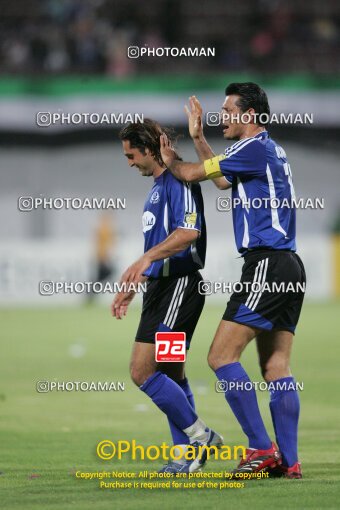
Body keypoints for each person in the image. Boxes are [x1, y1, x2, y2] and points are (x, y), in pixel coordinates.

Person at [156, 83, 306, 479]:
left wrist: (169, 158)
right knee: (276, 367)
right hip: (289, 265)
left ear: (250, 115)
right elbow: (222, 181)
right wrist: (199, 138)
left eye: (228, 110)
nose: (222, 115)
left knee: (220, 356)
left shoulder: (252, 149)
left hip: (266, 265)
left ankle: (261, 448)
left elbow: (191, 173)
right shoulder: (267, 150)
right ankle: (288, 463)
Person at [111, 118, 222, 473]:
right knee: (171, 375)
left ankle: (199, 437)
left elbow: (188, 232)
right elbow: (158, 248)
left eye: (131, 155)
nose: (128, 163)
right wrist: (136, 284)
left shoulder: (177, 179)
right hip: (162, 288)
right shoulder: (158, 187)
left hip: (180, 287)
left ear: (148, 149)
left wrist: (145, 259)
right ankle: (184, 457)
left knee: (142, 371)